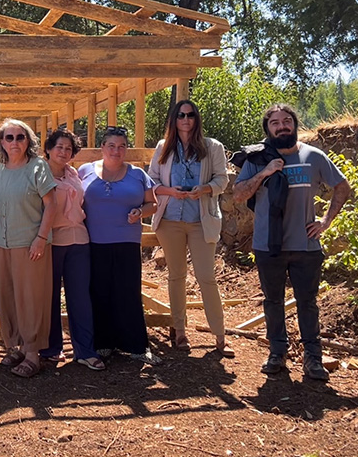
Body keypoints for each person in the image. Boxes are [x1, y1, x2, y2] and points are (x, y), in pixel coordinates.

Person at [233, 103, 351, 380]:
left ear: (295, 125)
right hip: (268, 244)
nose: (282, 126)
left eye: (287, 121)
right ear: (268, 129)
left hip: (305, 245)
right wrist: (264, 173)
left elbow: (342, 186)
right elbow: (238, 194)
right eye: (275, 123)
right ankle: (277, 353)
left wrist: (326, 221)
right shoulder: (257, 159)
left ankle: (313, 358)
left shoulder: (313, 156)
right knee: (273, 301)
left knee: (307, 303)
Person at [148, 101, 233, 357]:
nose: (186, 119)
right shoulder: (163, 147)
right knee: (176, 276)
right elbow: (151, 179)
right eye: (181, 115)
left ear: (197, 119)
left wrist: (205, 189)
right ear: (174, 119)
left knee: (206, 277)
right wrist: (170, 191)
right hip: (170, 220)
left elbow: (222, 179)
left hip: (200, 220)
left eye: (191, 115)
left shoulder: (212, 146)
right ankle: (180, 331)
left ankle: (220, 335)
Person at [79, 127, 160, 365]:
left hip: (127, 241)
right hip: (94, 241)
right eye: (112, 146)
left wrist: (140, 212)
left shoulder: (138, 174)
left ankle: (137, 346)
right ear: (102, 147)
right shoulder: (85, 171)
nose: (117, 151)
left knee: (128, 291)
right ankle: (103, 344)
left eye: (122, 146)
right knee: (99, 291)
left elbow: (153, 204)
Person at [0, 119, 57, 378]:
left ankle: (32, 354)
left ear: (28, 141)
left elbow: (51, 205)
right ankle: (16, 346)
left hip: (29, 244)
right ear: (1, 142)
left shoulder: (37, 166)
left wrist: (41, 237)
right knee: (7, 295)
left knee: (31, 298)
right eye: (9, 137)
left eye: (20, 137)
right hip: (1, 242)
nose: (14, 142)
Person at [39, 128, 104, 371]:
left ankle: (85, 350)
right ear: (48, 149)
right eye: (59, 147)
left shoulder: (73, 173)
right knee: (50, 296)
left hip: (79, 240)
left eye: (68, 148)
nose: (64, 152)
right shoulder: (38, 174)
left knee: (80, 297)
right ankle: (51, 348)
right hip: (52, 241)